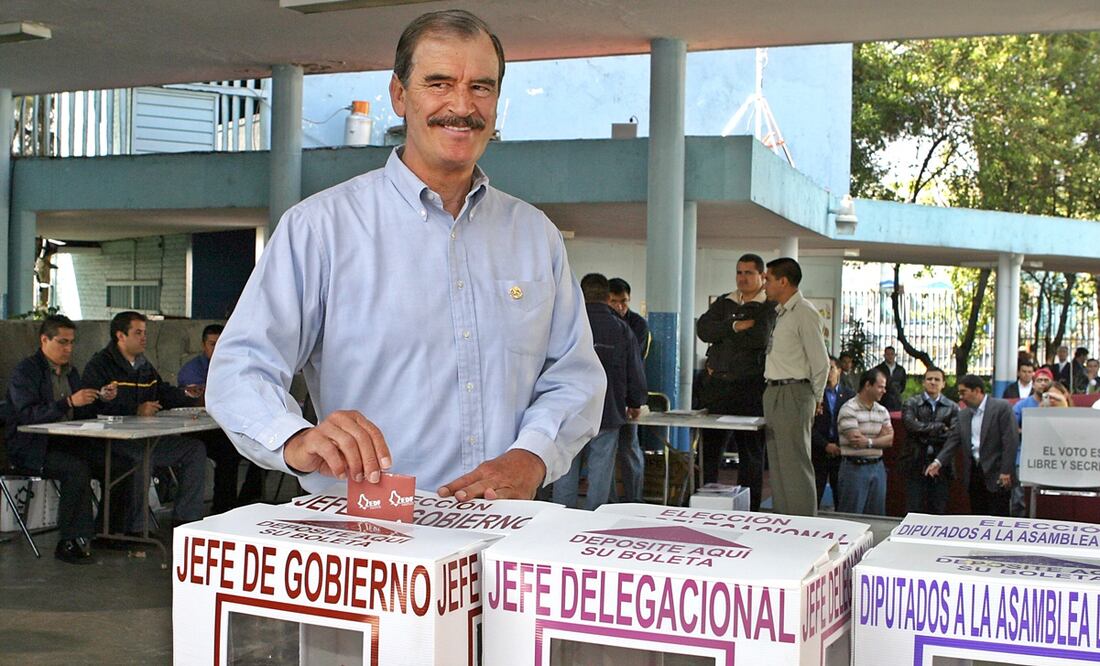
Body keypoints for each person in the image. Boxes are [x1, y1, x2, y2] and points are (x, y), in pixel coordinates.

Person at [205, 10, 605, 500]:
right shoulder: (321, 229)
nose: (461, 106)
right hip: (369, 539)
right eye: (438, 83)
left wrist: (533, 455)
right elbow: (241, 366)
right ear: (399, 95)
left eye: (481, 87)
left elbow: (573, 375)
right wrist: (293, 438)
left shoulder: (534, 236)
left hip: (503, 538)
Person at [4, 315, 119, 564]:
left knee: (117, 461)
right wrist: (67, 402)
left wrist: (99, 398)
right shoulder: (26, 372)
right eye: (62, 342)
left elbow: (81, 412)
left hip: (67, 441)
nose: (68, 349)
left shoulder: (71, 372)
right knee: (76, 470)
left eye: (72, 343)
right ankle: (70, 540)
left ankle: (111, 530)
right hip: (32, 447)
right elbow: (26, 415)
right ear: (44, 340)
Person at [82, 311, 207, 533]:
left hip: (146, 438)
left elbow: (161, 391)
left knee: (194, 449)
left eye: (145, 333)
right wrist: (135, 410)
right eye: (138, 332)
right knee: (141, 459)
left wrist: (186, 394)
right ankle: (137, 529)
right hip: (113, 442)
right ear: (120, 336)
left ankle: (186, 520)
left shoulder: (144, 365)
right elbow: (93, 407)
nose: (144, 338)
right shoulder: (100, 366)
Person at [552, 274, 646, 510]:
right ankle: (594, 522)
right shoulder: (622, 329)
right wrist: (635, 402)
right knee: (601, 473)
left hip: (568, 413)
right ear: (607, 297)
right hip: (607, 412)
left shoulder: (566, 326)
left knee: (565, 469)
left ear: (580, 295)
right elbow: (634, 371)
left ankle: (560, 521)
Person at [696, 253, 776, 510]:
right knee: (709, 451)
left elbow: (759, 339)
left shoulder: (768, 306)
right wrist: (734, 326)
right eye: (739, 272)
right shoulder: (725, 302)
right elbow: (704, 330)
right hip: (717, 388)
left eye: (748, 273)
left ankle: (749, 510)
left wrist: (724, 332)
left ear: (761, 276)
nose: (742, 278)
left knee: (750, 454)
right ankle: (703, 505)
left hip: (750, 390)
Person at [762, 257, 829, 517]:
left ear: (783, 281)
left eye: (768, 279)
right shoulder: (780, 313)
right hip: (774, 389)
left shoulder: (805, 312)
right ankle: (784, 520)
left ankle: (804, 523)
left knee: (796, 462)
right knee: (778, 463)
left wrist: (816, 399)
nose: (764, 284)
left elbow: (820, 362)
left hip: (795, 391)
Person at [177, 323, 264, 513]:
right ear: (203, 345)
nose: (217, 349)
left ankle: (248, 500)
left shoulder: (235, 367)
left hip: (226, 427)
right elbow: (199, 399)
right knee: (229, 453)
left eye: (221, 344)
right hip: (198, 431)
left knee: (264, 446)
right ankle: (223, 509)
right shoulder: (193, 369)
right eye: (212, 344)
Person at [927, 375, 1017, 517]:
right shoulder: (963, 415)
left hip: (997, 472)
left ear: (977, 391)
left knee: (999, 516)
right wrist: (938, 462)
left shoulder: (1001, 408)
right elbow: (953, 441)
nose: (961, 397)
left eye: (964, 392)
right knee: (977, 515)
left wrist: (1006, 471)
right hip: (974, 473)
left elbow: (1010, 441)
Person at [607, 277, 649, 503]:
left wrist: (634, 401)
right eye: (614, 301)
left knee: (629, 450)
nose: (620, 307)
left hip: (626, 396)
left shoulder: (638, 324)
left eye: (624, 301)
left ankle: (635, 500)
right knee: (605, 456)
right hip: (607, 398)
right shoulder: (600, 321)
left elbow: (634, 363)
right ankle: (610, 501)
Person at [835, 369, 893, 515]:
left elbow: (890, 440)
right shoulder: (848, 409)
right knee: (851, 516)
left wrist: (868, 442)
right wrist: (879, 438)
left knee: (877, 516)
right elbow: (855, 441)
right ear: (868, 385)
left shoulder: (882, 411)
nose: (884, 391)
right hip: (854, 469)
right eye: (880, 387)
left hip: (878, 467)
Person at [900, 367, 958, 514]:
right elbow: (911, 427)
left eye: (937, 379)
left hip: (941, 465)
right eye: (929, 379)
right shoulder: (911, 403)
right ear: (924, 382)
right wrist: (939, 427)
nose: (933, 382)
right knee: (914, 509)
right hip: (915, 461)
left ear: (943, 383)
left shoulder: (952, 407)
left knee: (938, 509)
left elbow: (953, 435)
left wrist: (923, 430)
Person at [811, 356, 854, 508]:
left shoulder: (849, 396)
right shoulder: (813, 395)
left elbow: (853, 424)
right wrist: (825, 445)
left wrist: (840, 445)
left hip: (841, 452)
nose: (828, 372)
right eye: (825, 369)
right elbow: (809, 426)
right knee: (814, 494)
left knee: (841, 496)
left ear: (839, 371)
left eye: (831, 368)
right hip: (819, 450)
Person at [873, 346, 906, 411]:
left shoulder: (901, 370)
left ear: (895, 355)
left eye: (892, 354)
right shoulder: (878, 369)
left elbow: (903, 385)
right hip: (882, 401)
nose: (890, 356)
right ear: (884, 355)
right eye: (888, 354)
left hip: (896, 402)